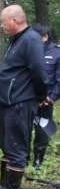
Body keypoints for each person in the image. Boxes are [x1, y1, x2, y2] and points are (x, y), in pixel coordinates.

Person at [0, 5, 47, 189]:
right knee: (6, 145)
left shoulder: (31, 39)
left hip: (20, 103)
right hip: (8, 102)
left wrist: (41, 95)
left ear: (14, 21)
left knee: (17, 147)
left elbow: (39, 72)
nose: (2, 26)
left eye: (3, 22)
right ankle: (3, 185)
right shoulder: (16, 41)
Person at [31, 24, 59, 169]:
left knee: (42, 129)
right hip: (28, 98)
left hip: (46, 101)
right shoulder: (30, 51)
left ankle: (38, 160)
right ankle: (22, 158)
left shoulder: (56, 53)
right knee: (23, 128)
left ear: (45, 36)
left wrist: (51, 97)